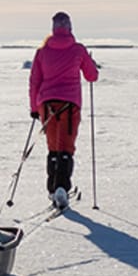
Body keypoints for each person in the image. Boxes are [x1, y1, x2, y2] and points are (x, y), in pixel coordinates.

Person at [28, 11, 98, 209]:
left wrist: (34, 108)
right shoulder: (78, 50)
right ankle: (61, 187)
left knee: (52, 147)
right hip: (70, 104)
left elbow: (34, 81)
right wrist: (90, 62)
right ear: (69, 28)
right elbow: (92, 76)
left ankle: (52, 188)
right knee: (66, 147)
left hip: (46, 104)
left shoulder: (42, 51)